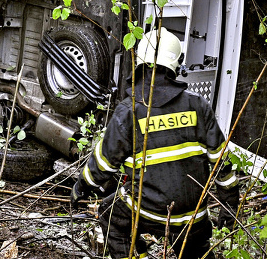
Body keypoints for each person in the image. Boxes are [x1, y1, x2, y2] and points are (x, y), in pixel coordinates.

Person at [70, 27, 240, 259]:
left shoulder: (129, 111)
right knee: (196, 249)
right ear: (175, 66)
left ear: (139, 64)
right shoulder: (198, 105)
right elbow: (222, 163)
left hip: (148, 211)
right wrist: (229, 208)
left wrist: (81, 187)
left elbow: (103, 165)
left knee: (110, 215)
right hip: (194, 215)